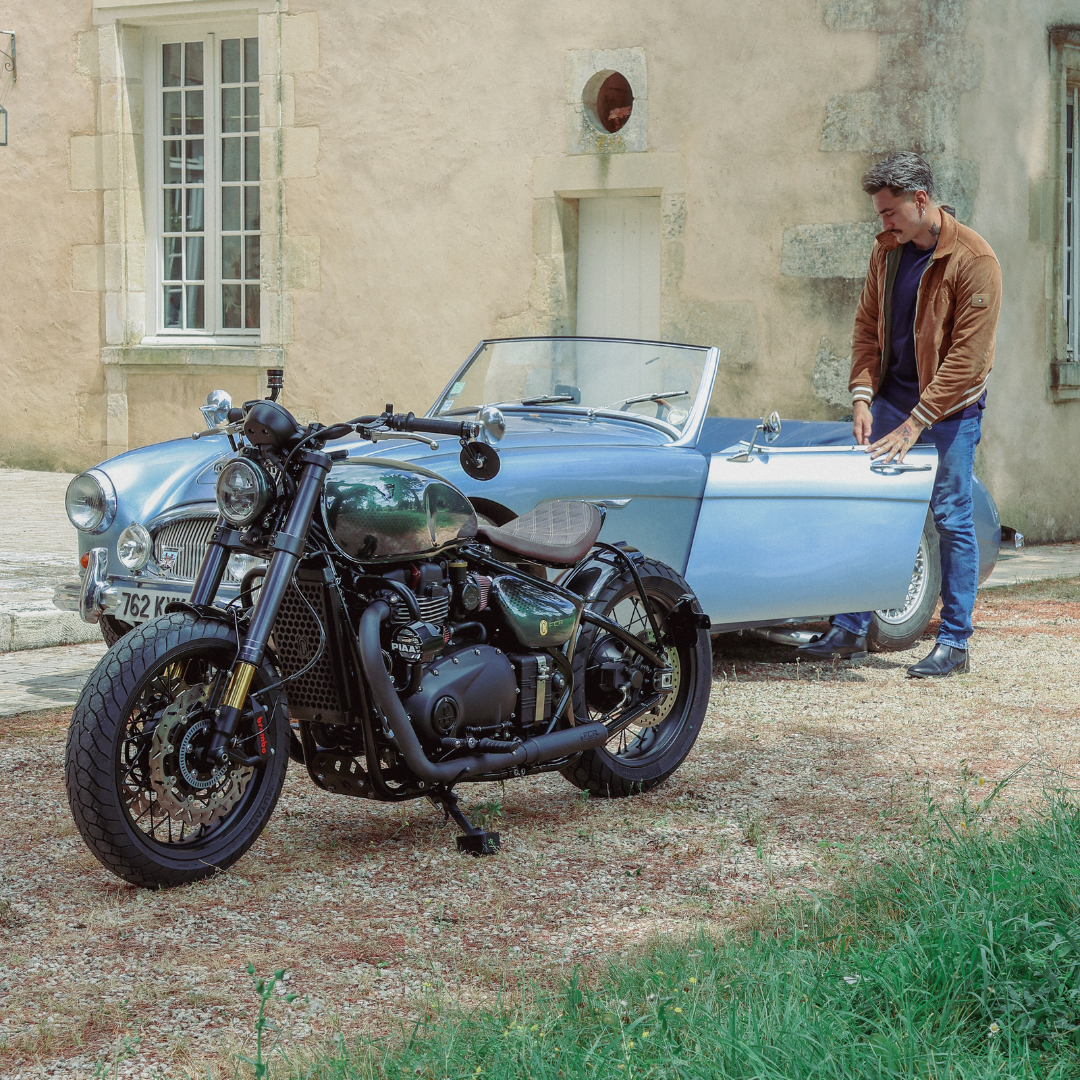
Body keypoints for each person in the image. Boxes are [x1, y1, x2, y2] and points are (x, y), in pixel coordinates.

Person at [798, 152, 1001, 677]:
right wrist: (862, 395)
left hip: (950, 410)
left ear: (920, 200)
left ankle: (955, 643)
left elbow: (967, 361)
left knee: (952, 517)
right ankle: (848, 627)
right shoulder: (887, 250)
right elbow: (868, 324)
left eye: (889, 212)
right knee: (869, 505)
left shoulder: (975, 260)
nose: (882, 223)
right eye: (879, 214)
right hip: (891, 398)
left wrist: (917, 423)